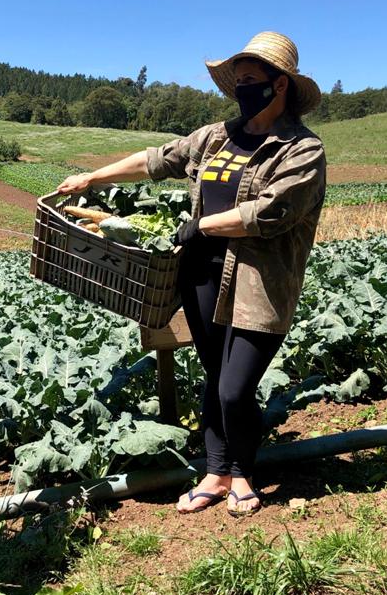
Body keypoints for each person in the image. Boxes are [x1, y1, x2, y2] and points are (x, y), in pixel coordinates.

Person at [58, 32, 325, 516]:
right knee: (214, 375)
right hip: (202, 273)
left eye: (250, 81)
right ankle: (216, 472)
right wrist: (92, 177)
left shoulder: (301, 150)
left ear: (279, 84)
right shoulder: (217, 136)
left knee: (235, 386)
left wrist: (198, 225)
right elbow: (158, 159)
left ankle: (243, 475)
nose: (241, 89)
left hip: (259, 284)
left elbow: (269, 213)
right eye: (237, 81)